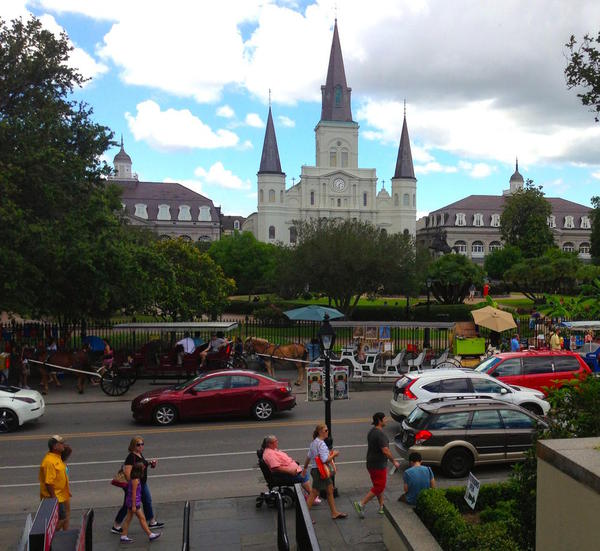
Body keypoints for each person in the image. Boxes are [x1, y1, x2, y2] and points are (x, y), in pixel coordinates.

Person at [112, 437, 164, 535]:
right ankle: (116, 525)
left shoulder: (139, 454)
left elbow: (140, 466)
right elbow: (128, 473)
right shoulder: (131, 457)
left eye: (142, 444)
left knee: (147, 500)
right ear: (133, 446)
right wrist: (134, 485)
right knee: (127, 505)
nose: (141, 446)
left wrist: (150, 463)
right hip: (135, 485)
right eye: (138, 444)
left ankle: (152, 521)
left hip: (142, 483)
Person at [354, 412, 400, 518]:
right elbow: (385, 450)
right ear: (379, 420)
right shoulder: (380, 434)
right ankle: (361, 504)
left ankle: (381, 506)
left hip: (371, 463)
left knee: (378, 485)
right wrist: (394, 461)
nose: (386, 420)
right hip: (378, 465)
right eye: (384, 419)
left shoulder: (371, 432)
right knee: (380, 486)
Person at [303, 424, 347, 520]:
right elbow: (324, 460)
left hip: (317, 470)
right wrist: (334, 454)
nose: (328, 432)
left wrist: (305, 468)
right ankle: (304, 518)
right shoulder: (321, 444)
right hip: (320, 471)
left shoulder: (314, 443)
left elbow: (308, 457)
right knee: (314, 493)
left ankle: (334, 512)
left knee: (330, 490)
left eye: (327, 430)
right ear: (320, 432)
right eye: (326, 430)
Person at [261, 435, 320, 503]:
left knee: (304, 473)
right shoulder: (269, 454)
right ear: (269, 444)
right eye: (275, 441)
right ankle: (312, 496)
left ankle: (307, 493)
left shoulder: (273, 450)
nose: (277, 442)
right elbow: (276, 467)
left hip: (292, 470)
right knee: (303, 476)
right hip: (285, 475)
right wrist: (290, 471)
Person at [119, 464, 161, 544]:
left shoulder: (135, 479)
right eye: (142, 469)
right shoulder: (135, 480)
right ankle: (150, 534)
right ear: (139, 470)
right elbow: (134, 493)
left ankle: (124, 536)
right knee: (140, 518)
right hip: (134, 502)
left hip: (132, 502)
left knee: (129, 519)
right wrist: (134, 506)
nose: (143, 470)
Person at [39, 435, 71, 530]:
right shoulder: (49, 462)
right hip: (55, 496)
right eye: (61, 443)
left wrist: (67, 448)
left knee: (66, 515)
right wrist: (54, 499)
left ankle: (65, 535)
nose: (64, 445)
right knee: (62, 519)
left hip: (63, 494)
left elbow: (68, 452)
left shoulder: (57, 457)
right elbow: (48, 483)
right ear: (55, 446)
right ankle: (50, 537)